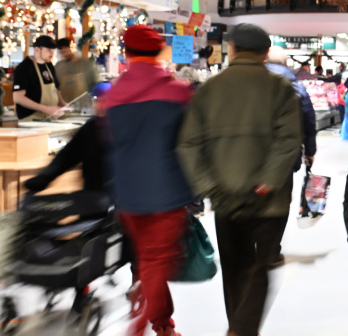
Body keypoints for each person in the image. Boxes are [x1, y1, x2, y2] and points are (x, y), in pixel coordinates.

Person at [177, 24, 301, 336]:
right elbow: (288, 141)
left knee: (234, 269)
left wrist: (209, 186)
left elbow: (188, 145)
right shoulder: (280, 88)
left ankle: (238, 327)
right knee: (260, 266)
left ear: (230, 49)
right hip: (269, 202)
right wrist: (266, 183)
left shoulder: (209, 89)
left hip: (225, 198)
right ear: (266, 52)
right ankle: (242, 331)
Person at [99, 26, 194, 336]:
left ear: (126, 53)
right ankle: (138, 326)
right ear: (160, 53)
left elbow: (109, 141)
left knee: (149, 260)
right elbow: (190, 142)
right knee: (156, 261)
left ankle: (162, 323)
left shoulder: (112, 96)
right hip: (166, 191)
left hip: (127, 192)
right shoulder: (178, 92)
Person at [266, 47, 318, 170]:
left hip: (258, 153)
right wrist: (309, 152)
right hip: (288, 153)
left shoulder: (254, 83)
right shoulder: (297, 88)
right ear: (286, 63)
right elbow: (309, 123)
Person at [13, 36, 67, 120]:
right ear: (37, 49)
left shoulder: (49, 65)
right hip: (31, 119)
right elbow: (17, 97)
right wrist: (46, 109)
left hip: (50, 118)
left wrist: (62, 103)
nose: (52, 54)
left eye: (53, 50)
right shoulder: (24, 68)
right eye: (49, 50)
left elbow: (56, 89)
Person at [54, 37, 98, 105]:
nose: (64, 55)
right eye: (61, 53)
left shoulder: (87, 65)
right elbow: (55, 88)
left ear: (72, 48)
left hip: (83, 107)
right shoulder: (58, 66)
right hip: (64, 107)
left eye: (65, 51)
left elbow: (96, 85)